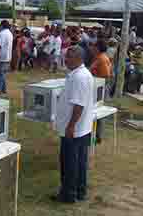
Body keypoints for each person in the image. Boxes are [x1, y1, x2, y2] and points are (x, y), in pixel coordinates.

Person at [53, 46, 95, 204]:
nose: (66, 59)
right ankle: (79, 191)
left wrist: (70, 126)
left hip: (75, 129)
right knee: (79, 162)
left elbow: (79, 105)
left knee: (70, 163)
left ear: (78, 58)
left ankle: (68, 194)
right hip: (80, 128)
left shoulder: (79, 77)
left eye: (69, 57)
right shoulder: (78, 75)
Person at [89, 40, 112, 144]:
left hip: (100, 88)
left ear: (98, 48)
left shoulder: (102, 58)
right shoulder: (99, 57)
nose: (92, 48)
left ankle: (97, 135)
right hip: (98, 87)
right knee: (95, 112)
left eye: (94, 46)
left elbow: (106, 75)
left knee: (97, 112)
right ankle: (95, 134)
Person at [0, 20, 13, 94]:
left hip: (0, 57)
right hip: (7, 57)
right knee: (2, 75)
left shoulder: (3, 34)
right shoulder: (10, 33)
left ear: (1, 26)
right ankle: (3, 90)